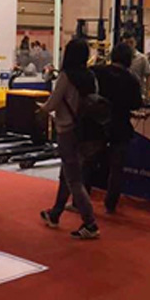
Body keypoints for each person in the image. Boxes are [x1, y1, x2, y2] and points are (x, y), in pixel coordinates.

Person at [39, 38, 100, 240]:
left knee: (73, 179)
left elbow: (53, 102)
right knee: (67, 174)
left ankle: (90, 223)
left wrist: (43, 108)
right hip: (87, 131)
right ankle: (55, 213)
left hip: (67, 130)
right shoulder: (91, 76)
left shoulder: (66, 76)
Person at [90, 43, 142, 213]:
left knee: (89, 162)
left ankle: (81, 199)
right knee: (116, 168)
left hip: (97, 124)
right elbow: (136, 104)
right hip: (120, 126)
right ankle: (110, 204)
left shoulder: (97, 72)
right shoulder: (132, 79)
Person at [121, 31, 150, 99]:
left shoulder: (142, 58)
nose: (129, 45)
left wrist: (147, 93)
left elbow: (148, 76)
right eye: (126, 43)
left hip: (137, 93)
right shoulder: (119, 58)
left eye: (131, 42)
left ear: (135, 43)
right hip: (122, 92)